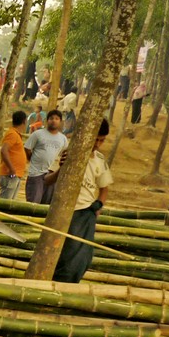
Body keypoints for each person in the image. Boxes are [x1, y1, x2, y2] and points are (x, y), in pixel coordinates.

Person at [49, 119, 113, 283]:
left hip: (85, 213)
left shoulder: (100, 160)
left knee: (81, 257)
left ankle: (68, 286)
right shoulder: (68, 153)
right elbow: (46, 180)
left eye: (102, 140)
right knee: (60, 253)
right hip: (62, 211)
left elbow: (104, 189)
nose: (98, 144)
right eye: (95, 139)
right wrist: (61, 169)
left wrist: (98, 206)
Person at [24, 110, 68, 204]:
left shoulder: (63, 138)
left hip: (52, 174)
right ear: (47, 120)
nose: (54, 121)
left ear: (60, 121)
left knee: (47, 203)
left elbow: (65, 153)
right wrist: (33, 159)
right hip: (36, 174)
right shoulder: (38, 134)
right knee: (33, 203)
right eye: (51, 118)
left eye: (57, 119)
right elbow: (27, 148)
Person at [0, 110, 29, 201]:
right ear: (24, 121)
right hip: (10, 174)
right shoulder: (12, 134)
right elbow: (4, 150)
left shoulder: (15, 134)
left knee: (10, 201)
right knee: (4, 201)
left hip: (15, 174)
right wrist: (11, 168)